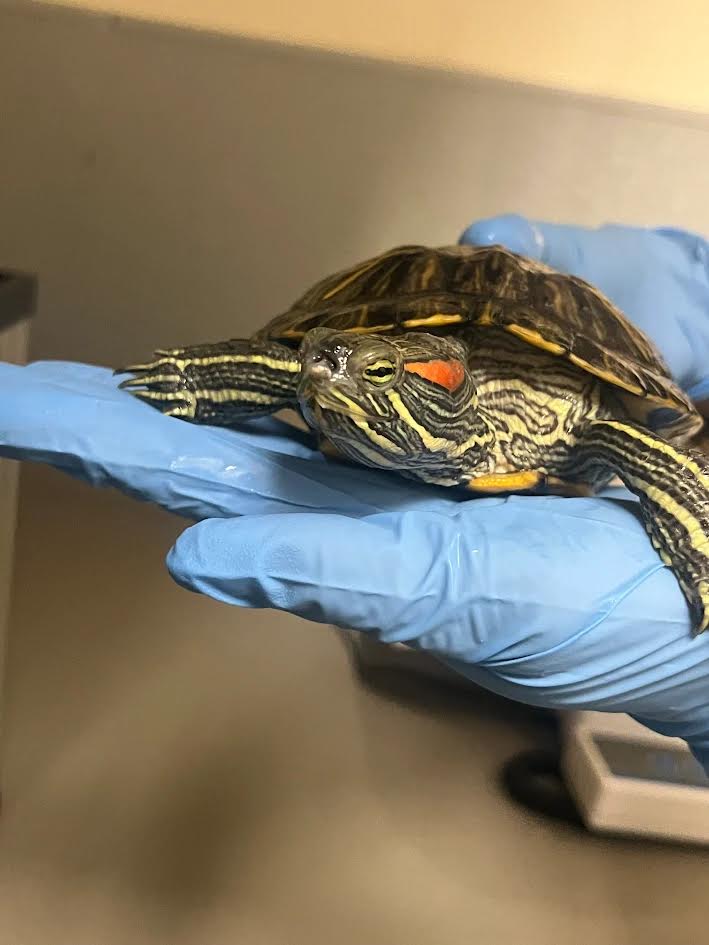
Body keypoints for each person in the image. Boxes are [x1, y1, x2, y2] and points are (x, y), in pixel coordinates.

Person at [3, 214, 709, 772]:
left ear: (441, 380)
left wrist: (690, 522)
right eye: (328, 364)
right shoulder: (324, 367)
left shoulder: (567, 409)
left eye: (374, 374)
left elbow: (632, 434)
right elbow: (303, 362)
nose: (329, 372)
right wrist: (203, 379)